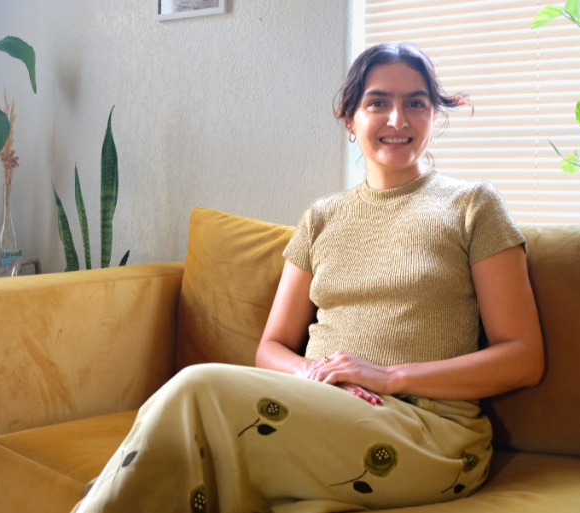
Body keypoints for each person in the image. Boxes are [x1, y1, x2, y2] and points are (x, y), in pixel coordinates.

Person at [74, 42, 544, 513]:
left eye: (415, 103)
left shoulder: (473, 205)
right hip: (318, 411)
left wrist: (387, 377)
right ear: (349, 119)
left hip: (428, 434)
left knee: (195, 390)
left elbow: (523, 357)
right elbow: (271, 346)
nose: (397, 119)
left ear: (433, 116)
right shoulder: (320, 218)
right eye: (378, 102)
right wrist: (316, 376)